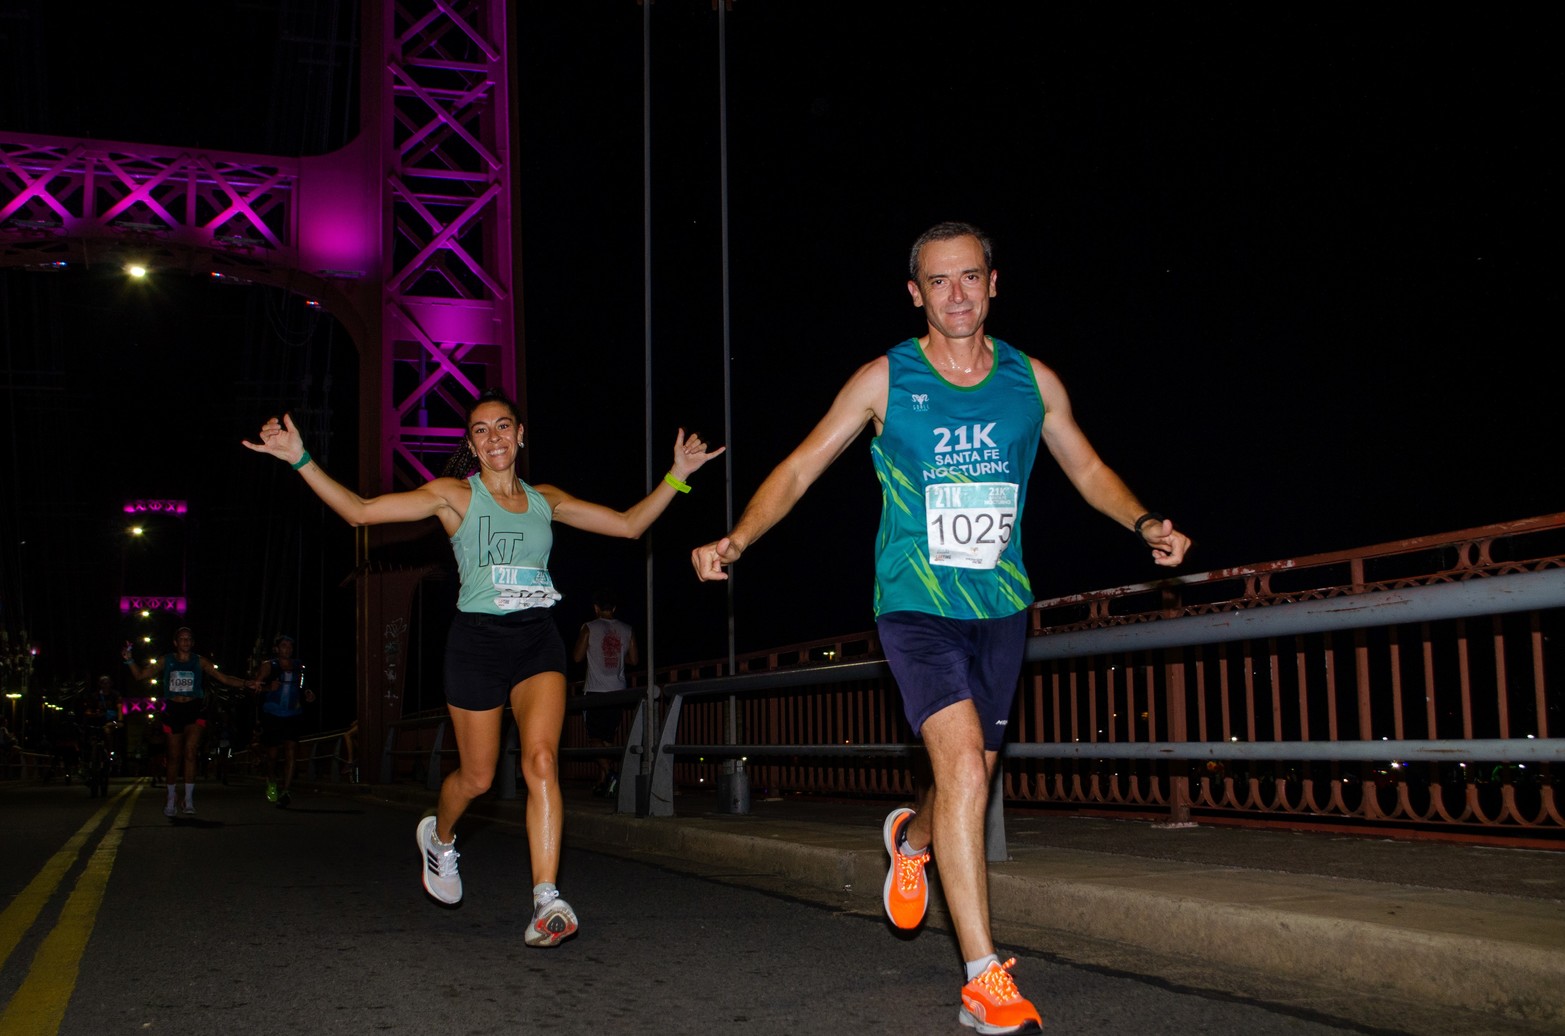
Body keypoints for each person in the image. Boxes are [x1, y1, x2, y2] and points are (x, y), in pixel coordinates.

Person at [691, 221, 1191, 1035]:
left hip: (999, 607)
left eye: (969, 278)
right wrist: (736, 538)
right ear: (914, 292)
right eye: (937, 281)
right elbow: (799, 467)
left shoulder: (1033, 382)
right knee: (961, 766)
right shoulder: (885, 379)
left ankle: (910, 841)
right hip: (914, 606)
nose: (955, 294)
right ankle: (981, 977)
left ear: (994, 282)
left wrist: (1143, 522)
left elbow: (1087, 467)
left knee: (967, 781)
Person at [244, 388, 722, 947]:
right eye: (480, 430)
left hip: (538, 641)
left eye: (503, 427)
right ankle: (440, 838)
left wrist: (679, 472)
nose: (493, 438)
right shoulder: (453, 497)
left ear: (521, 435)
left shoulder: (547, 499)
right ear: (471, 445)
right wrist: (300, 457)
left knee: (541, 760)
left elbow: (629, 525)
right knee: (477, 776)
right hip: (476, 645)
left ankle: (547, 899)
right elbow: (361, 512)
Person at [123, 628, 258, 817]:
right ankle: (170, 799)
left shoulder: (199, 661)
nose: (185, 642)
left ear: (192, 643)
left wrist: (246, 683)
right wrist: (129, 659)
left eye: (189, 639)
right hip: (172, 710)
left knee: (190, 752)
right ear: (175, 643)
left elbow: (223, 678)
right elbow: (140, 675)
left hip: (194, 709)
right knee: (174, 757)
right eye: (182, 639)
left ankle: (189, 799)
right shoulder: (167, 660)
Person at [572, 587, 639, 797]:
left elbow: (577, 657)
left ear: (596, 608)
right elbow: (634, 660)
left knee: (594, 739)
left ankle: (611, 773)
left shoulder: (589, 628)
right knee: (607, 739)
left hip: (594, 691)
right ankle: (604, 783)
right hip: (618, 691)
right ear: (615, 608)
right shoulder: (627, 629)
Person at [251, 634, 315, 807]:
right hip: (273, 714)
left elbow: (303, 684)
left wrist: (307, 692)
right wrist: (267, 687)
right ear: (276, 649)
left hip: (293, 714)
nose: (287, 649)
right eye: (284, 646)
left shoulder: (298, 665)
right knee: (272, 755)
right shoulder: (268, 666)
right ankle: (271, 781)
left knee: (291, 751)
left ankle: (286, 791)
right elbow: (254, 688)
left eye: (290, 646)